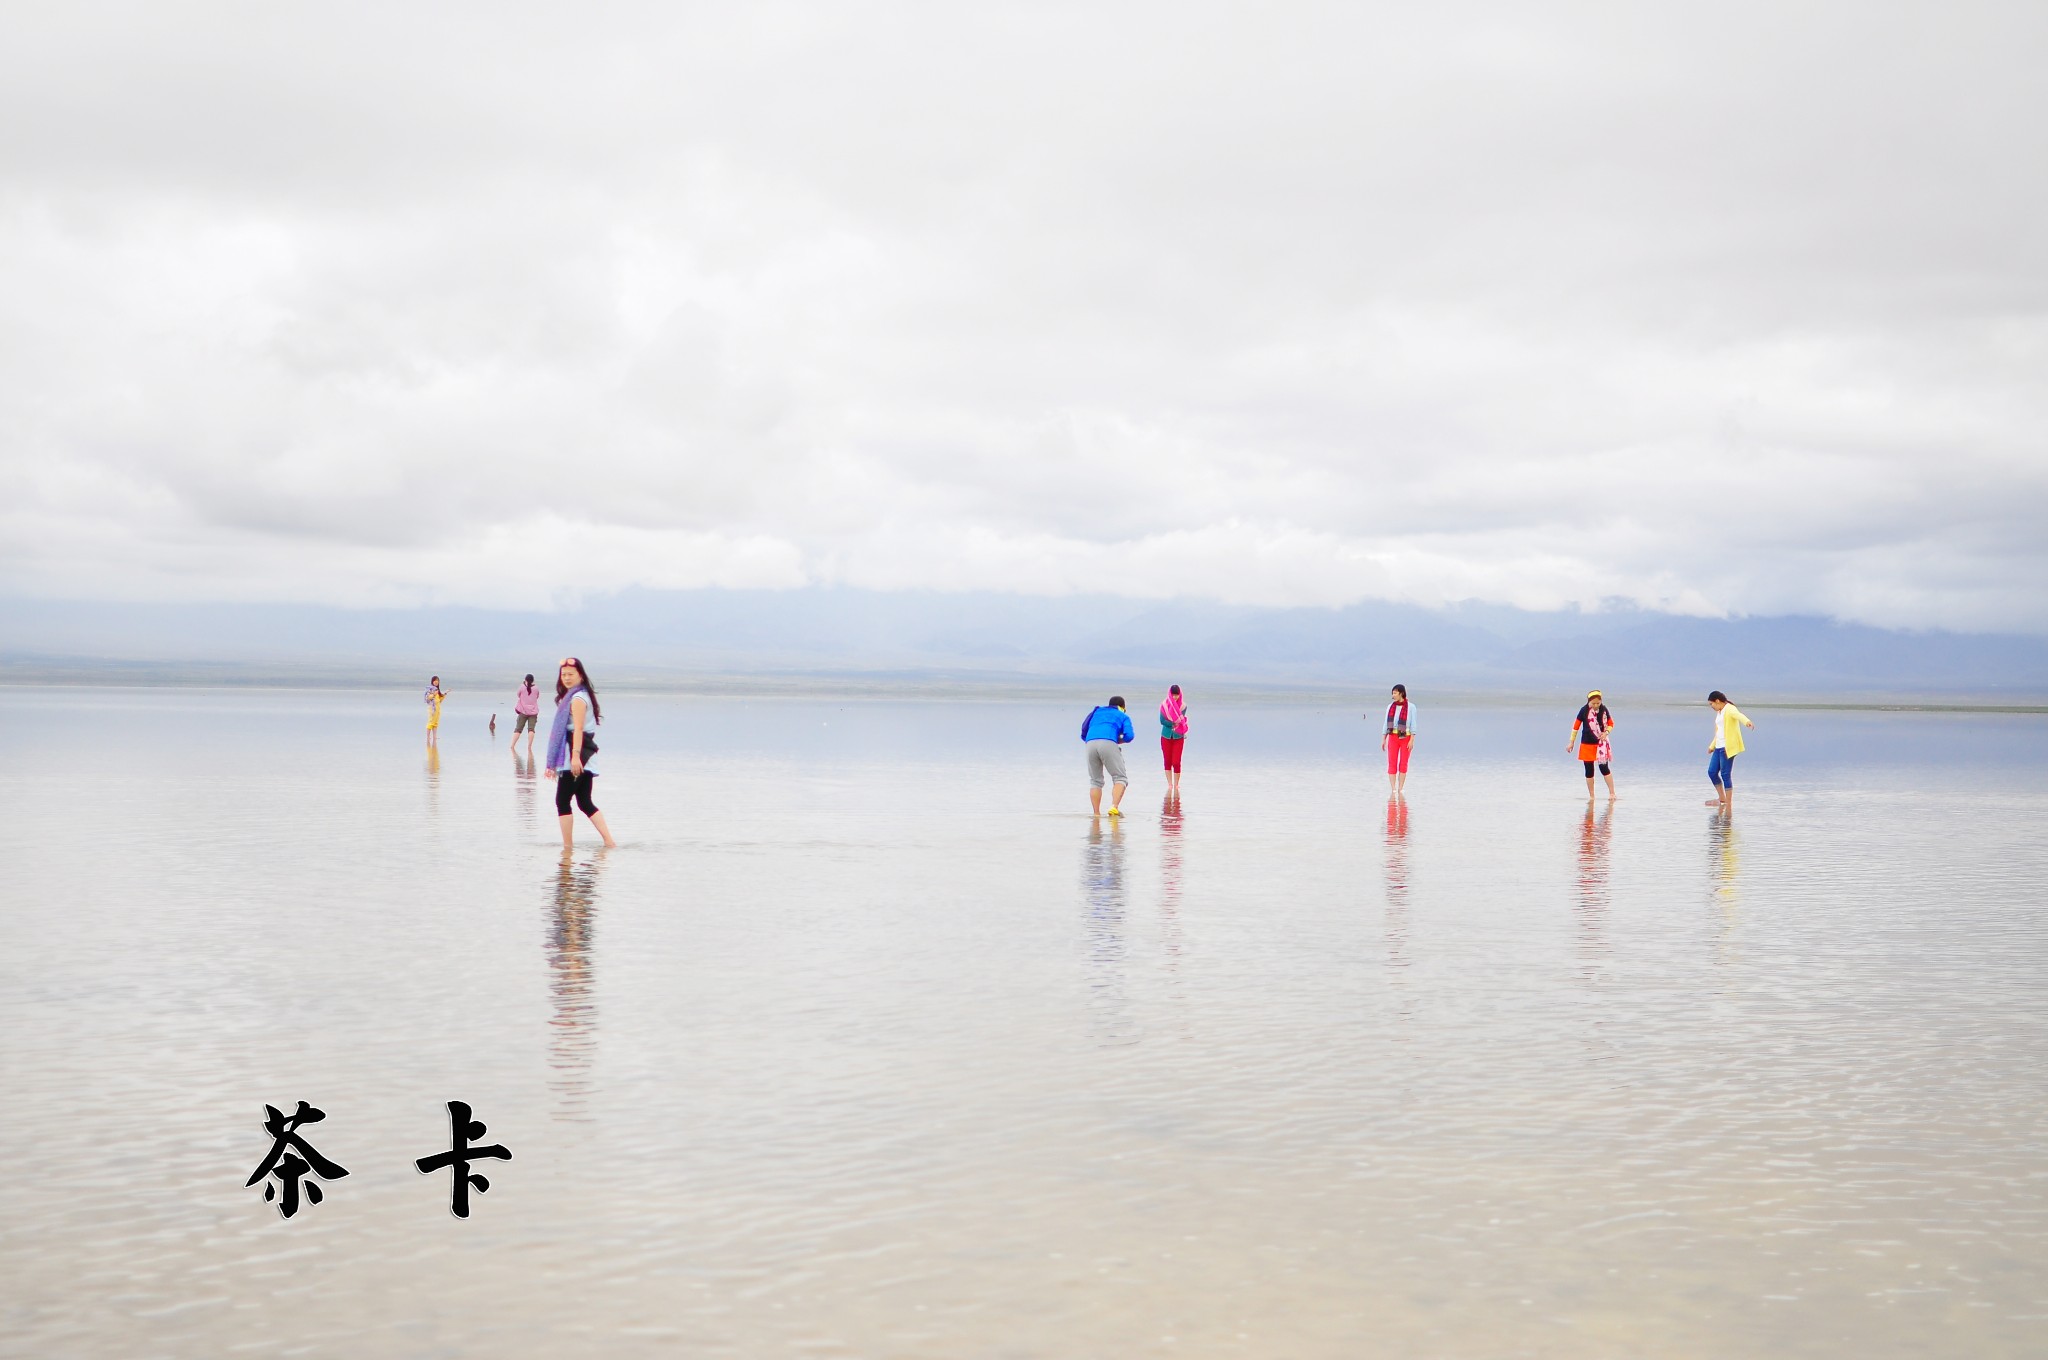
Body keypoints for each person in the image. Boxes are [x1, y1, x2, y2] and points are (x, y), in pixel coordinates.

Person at [545, 657, 617, 849]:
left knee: (562, 801)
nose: (566, 678)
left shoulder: (577, 699)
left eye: (571, 674)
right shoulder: (579, 695)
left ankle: (567, 848)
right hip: (585, 755)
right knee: (584, 802)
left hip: (575, 757)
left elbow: (578, 729)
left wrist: (575, 757)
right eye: (563, 675)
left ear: (580, 675)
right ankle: (609, 843)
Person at [1080, 695, 1135, 816]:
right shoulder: (1123, 715)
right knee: (1120, 778)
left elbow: (1083, 731)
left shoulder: (1096, 712)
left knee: (1095, 781)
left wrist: (1091, 739)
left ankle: (1096, 814)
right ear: (1122, 707)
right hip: (1108, 741)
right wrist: (1117, 739)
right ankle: (1114, 807)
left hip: (1090, 743)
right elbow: (1129, 736)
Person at [1705, 690, 1755, 812]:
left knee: (1725, 774)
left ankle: (1728, 802)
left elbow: (1739, 715)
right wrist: (1712, 746)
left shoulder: (1729, 708)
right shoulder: (1719, 712)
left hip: (1728, 747)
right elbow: (1719, 732)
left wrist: (1747, 722)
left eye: (1711, 704)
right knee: (1712, 772)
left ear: (1717, 701)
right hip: (1718, 747)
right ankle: (1721, 798)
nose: (1711, 707)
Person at [1569, 689, 1619, 801]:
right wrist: (1571, 742)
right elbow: (1575, 727)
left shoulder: (1604, 710)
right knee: (1589, 770)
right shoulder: (1583, 711)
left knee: (1604, 768)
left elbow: (1611, 723)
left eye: (1598, 703)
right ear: (1589, 702)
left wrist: (1606, 733)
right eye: (1593, 703)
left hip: (1601, 745)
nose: (1596, 705)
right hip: (1586, 744)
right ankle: (1592, 796)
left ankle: (1612, 793)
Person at [1375, 684, 1414, 794]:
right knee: (1392, 762)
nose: (1393, 695)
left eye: (1395, 693)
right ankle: (1393, 789)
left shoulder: (1411, 707)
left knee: (1403, 763)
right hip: (1393, 736)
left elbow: (1413, 725)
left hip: (1406, 737)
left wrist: (1412, 740)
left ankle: (1400, 788)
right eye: (1392, 693)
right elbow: (1386, 724)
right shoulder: (1390, 707)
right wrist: (1384, 739)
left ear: (1401, 693)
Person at [1159, 684, 1189, 796]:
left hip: (1178, 736)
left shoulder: (1183, 706)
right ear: (1170, 694)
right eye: (1173, 695)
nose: (1175, 697)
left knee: (1176, 761)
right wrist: (1172, 723)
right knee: (1167, 760)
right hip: (1166, 735)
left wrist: (1175, 722)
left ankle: (1177, 784)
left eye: (1177, 695)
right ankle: (1170, 784)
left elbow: (1180, 718)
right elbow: (1162, 720)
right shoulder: (1164, 705)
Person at [511, 673, 541, 755]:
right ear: (533, 680)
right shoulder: (536, 688)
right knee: (531, 729)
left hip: (523, 711)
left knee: (518, 729)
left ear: (525, 679)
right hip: (533, 712)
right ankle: (529, 747)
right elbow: (537, 696)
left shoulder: (522, 687)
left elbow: (518, 695)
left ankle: (512, 746)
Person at [423, 676, 447, 747]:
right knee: (431, 722)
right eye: (435, 680)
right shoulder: (430, 689)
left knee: (436, 723)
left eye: (437, 681)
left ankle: (434, 736)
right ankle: (428, 737)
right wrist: (433, 694)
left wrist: (444, 694)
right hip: (432, 709)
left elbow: (439, 700)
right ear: (432, 681)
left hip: (437, 709)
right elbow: (428, 698)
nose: (436, 682)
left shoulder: (437, 690)